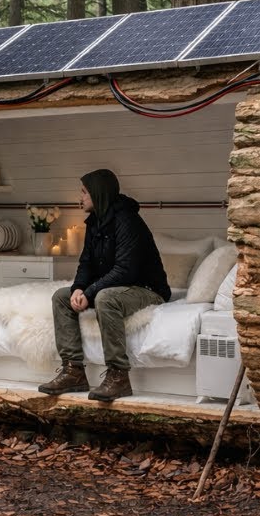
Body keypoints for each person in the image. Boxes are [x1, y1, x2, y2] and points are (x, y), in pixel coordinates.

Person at [38, 169, 170, 401]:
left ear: (98, 193)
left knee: (105, 298)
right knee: (61, 296)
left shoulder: (128, 221)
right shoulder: (95, 222)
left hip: (146, 289)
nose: (80, 198)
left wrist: (89, 293)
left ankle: (119, 377)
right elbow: (86, 263)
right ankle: (73, 371)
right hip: (114, 286)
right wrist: (79, 288)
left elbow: (125, 270)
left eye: (84, 192)